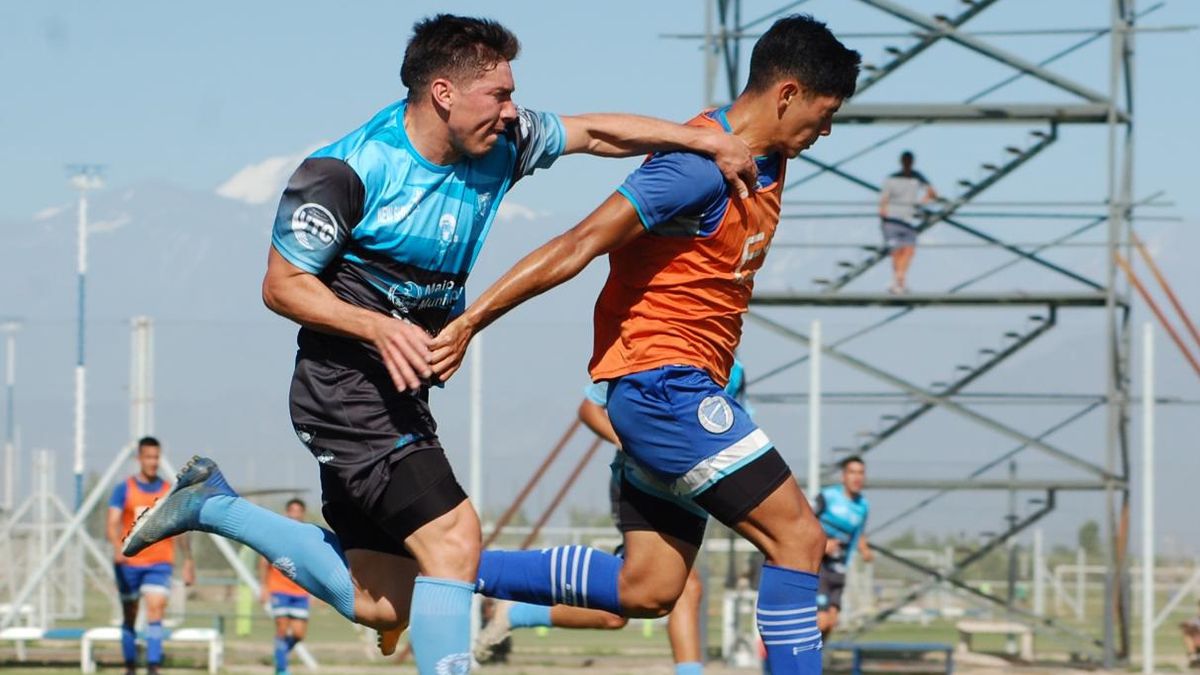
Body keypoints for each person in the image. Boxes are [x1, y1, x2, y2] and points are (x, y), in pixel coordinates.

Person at [122, 13, 758, 674]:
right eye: (499, 95)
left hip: (400, 395)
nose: (511, 110)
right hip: (344, 390)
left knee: (383, 601)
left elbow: (596, 132)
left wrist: (700, 139)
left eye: (512, 95)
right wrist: (378, 325)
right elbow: (282, 286)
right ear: (444, 93)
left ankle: (213, 504)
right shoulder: (349, 169)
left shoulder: (503, 142)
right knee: (455, 541)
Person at [428, 15, 860, 674]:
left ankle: (443, 564)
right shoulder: (694, 170)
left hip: (679, 390)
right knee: (800, 538)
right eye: (824, 115)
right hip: (663, 387)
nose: (825, 132)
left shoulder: (767, 158)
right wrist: (469, 322)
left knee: (648, 588)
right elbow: (578, 243)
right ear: (787, 94)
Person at [476, 361, 746, 673]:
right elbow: (590, 409)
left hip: (691, 484)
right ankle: (477, 571)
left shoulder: (735, 370)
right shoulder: (654, 352)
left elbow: (731, 423)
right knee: (682, 586)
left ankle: (514, 611)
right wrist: (636, 444)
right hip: (642, 482)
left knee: (623, 610)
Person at [106, 436, 194, 675]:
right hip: (129, 563)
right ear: (139, 459)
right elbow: (112, 524)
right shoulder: (124, 489)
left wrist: (188, 560)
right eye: (148, 457)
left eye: (156, 457)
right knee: (130, 614)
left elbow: (179, 527)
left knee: (156, 609)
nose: (153, 462)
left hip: (159, 562)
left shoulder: (168, 491)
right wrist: (117, 548)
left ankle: (154, 667)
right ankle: (130, 666)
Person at [813, 456, 872, 640]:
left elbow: (858, 533)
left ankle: (816, 658)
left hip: (839, 569)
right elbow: (804, 522)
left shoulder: (863, 506)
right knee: (821, 621)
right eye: (852, 472)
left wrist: (864, 549)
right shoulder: (828, 496)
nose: (857, 477)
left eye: (861, 473)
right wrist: (823, 543)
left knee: (831, 622)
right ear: (843, 476)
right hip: (819, 567)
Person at [259, 499, 311, 675]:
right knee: (282, 628)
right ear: (286, 512)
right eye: (292, 510)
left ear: (303, 514)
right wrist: (264, 587)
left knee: (298, 634)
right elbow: (263, 561)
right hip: (278, 589)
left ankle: (280, 655)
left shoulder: (307, 536)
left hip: (300, 591)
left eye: (298, 511)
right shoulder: (276, 534)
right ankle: (281, 669)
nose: (294, 514)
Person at [878, 150, 937, 295]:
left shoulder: (917, 177)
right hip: (892, 218)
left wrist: (919, 204)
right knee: (897, 251)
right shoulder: (892, 178)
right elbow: (884, 199)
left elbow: (932, 193)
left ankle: (899, 279)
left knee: (909, 250)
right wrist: (883, 213)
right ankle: (898, 280)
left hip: (908, 219)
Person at [1181, 600, 1200, 668]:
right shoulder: (1196, 619)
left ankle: (1195, 657)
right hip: (1196, 642)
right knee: (1187, 633)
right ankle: (1194, 657)